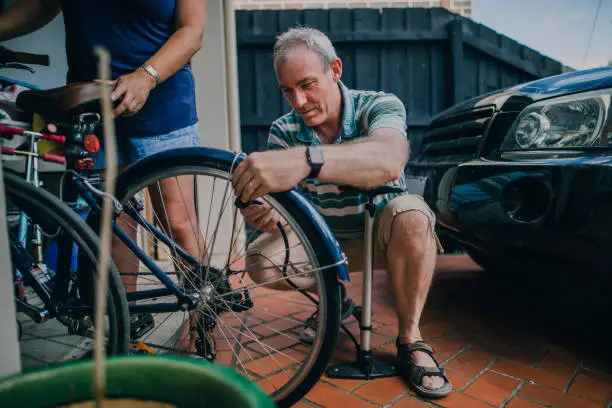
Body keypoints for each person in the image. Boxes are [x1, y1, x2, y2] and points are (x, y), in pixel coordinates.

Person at [231, 27, 452, 398]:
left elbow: (389, 161)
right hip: (326, 249)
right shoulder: (283, 130)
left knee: (414, 215)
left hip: (382, 238)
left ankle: (411, 340)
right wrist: (263, 212)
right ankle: (335, 300)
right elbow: (284, 206)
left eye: (307, 84)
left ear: (335, 69)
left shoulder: (379, 105)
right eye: (288, 90)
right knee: (260, 261)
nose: (299, 101)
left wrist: (307, 160)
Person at [0, 0, 208, 343]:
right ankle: (122, 332)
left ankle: (203, 327)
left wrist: (145, 77)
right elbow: (40, 5)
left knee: (177, 222)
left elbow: (192, 30)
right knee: (114, 223)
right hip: (93, 105)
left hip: (162, 102)